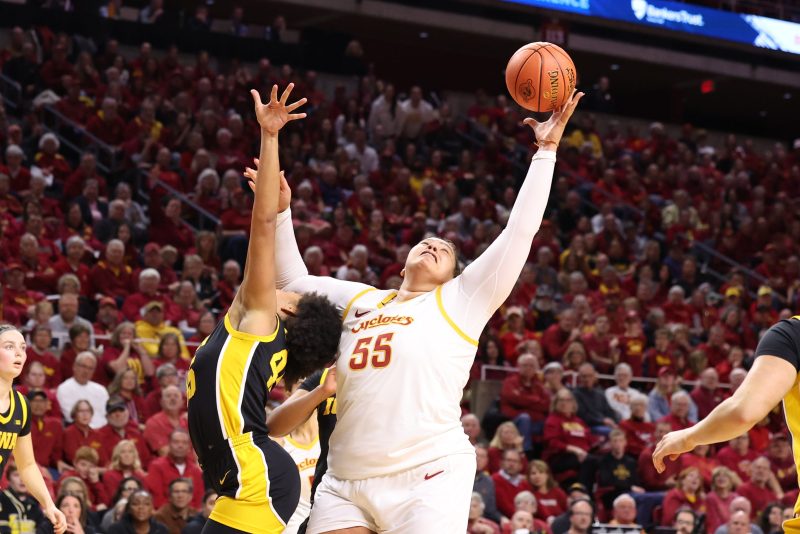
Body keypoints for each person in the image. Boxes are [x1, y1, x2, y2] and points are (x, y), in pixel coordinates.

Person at [186, 85, 341, 534]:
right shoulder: (259, 336)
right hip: (245, 470)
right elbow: (270, 426)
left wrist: (270, 136)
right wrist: (316, 395)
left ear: (290, 317)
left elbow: (262, 226)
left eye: (290, 296)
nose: (281, 289)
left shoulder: (259, 320)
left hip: (256, 476)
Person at [0, 324, 67, 533]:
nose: (18, 353)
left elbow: (27, 465)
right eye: (9, 346)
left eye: (22, 347)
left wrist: (49, 504)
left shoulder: (21, 404)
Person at [278, 382, 321, 534]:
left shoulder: (334, 433)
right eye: (303, 383)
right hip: (293, 527)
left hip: (331, 522)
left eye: (314, 382)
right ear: (288, 393)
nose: (312, 388)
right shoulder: (277, 443)